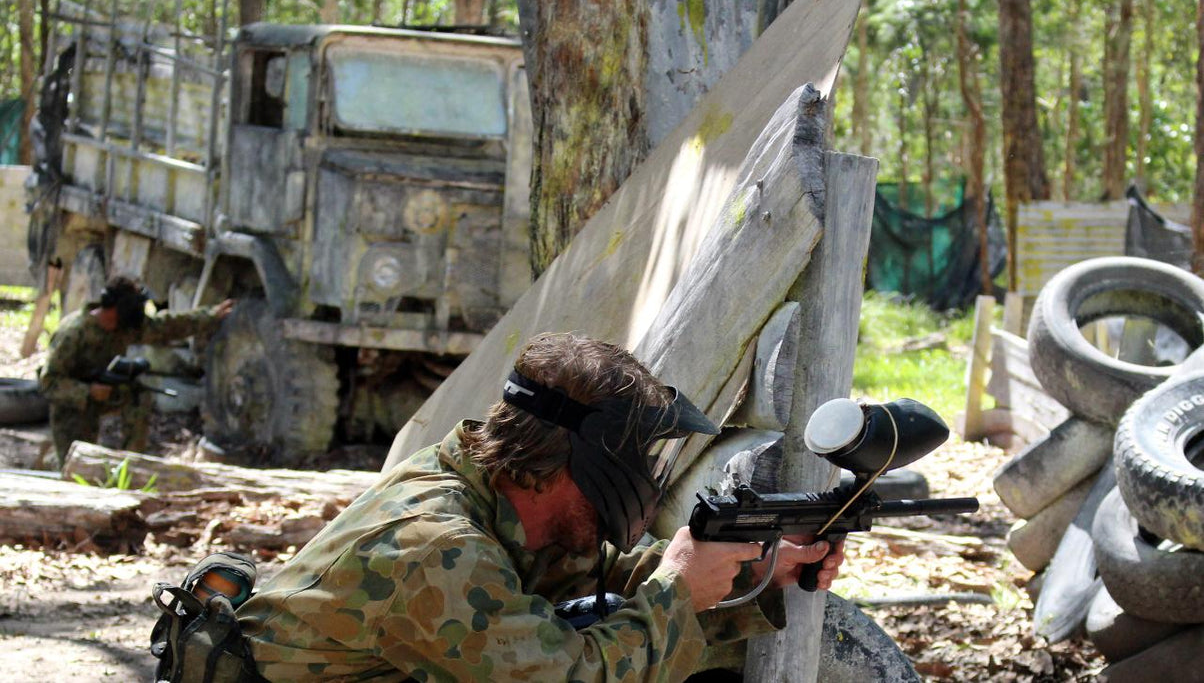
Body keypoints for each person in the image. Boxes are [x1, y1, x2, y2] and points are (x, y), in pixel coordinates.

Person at [237, 332, 845, 682]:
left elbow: (589, 580)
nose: (644, 476)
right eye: (636, 456)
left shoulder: (497, 499)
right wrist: (678, 591)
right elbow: (570, 676)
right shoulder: (437, 548)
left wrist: (754, 570)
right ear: (582, 459)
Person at [38, 275, 234, 463]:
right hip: (72, 403)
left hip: (103, 391)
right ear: (118, 308)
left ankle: (130, 462)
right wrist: (87, 391)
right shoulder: (73, 333)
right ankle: (51, 459)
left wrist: (210, 315)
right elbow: (48, 383)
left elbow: (166, 326)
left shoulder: (124, 326)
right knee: (74, 460)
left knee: (137, 396)